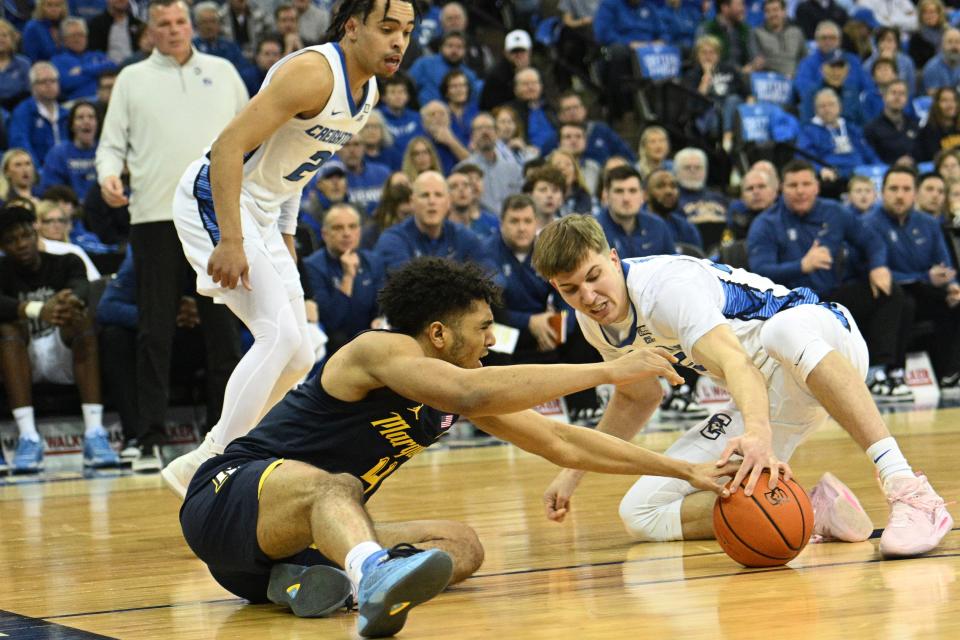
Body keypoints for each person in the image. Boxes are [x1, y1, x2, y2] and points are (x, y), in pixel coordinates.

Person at [178, 255, 737, 638]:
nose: (493, 340)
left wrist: (684, 471)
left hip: (267, 559)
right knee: (336, 485)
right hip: (228, 500)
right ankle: (367, 575)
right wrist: (609, 370)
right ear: (439, 334)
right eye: (484, 327)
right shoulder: (377, 351)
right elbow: (470, 391)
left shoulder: (454, 389)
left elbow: (562, 440)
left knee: (460, 546)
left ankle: (302, 582)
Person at [531, 213, 953, 558]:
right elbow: (636, 398)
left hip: (822, 341)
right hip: (768, 396)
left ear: (613, 255)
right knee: (641, 512)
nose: (588, 296)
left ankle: (909, 489)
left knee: (779, 333)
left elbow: (737, 363)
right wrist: (572, 474)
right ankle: (810, 508)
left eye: (594, 276)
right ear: (556, 287)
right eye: (571, 289)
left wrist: (757, 434)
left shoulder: (666, 289)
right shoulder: (593, 322)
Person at [161, 0, 419, 497]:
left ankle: (233, 454)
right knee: (275, 335)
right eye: (388, 29)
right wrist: (233, 239)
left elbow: (299, 166)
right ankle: (214, 461)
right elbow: (227, 148)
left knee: (301, 351)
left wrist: (283, 234)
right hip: (217, 197)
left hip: (263, 212)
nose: (398, 43)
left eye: (406, 32)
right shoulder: (313, 73)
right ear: (352, 27)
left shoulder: (366, 96)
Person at [96, 0, 247, 473]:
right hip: (154, 218)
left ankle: (226, 435)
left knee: (223, 331)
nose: (175, 29)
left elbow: (254, 135)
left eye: (181, 21)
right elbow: (110, 145)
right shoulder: (131, 79)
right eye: (164, 23)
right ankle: (148, 436)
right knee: (153, 330)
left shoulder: (224, 72)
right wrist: (107, 176)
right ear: (150, 31)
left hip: (215, 218)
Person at [748, 160, 913, 398]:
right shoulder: (765, 224)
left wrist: (878, 267)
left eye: (806, 183)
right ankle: (876, 373)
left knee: (894, 294)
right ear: (782, 189)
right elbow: (760, 271)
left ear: (817, 187)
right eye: (793, 185)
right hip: (791, 304)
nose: (800, 190)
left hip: (832, 296)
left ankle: (883, 372)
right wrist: (802, 265)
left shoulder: (833, 212)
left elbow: (872, 241)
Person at [0, 205, 119, 473]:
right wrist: (36, 309)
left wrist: (69, 301)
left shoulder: (67, 260)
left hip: (63, 353)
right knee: (7, 329)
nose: (21, 244)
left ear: (36, 232)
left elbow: (82, 288)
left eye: (25, 236)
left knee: (81, 318)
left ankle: (95, 434)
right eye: (11, 240)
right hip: (20, 358)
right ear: (3, 247)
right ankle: (28, 438)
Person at [864, 166, 960, 389]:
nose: (900, 195)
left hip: (924, 290)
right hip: (886, 293)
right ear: (882, 193)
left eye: (906, 189)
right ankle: (893, 373)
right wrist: (924, 276)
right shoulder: (869, 224)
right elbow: (877, 272)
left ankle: (951, 373)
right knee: (903, 302)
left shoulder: (928, 223)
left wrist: (952, 286)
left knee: (954, 302)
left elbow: (944, 264)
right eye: (894, 189)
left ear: (914, 194)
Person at [303, 203, 384, 357]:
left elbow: (381, 304)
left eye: (352, 226)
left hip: (369, 337)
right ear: (325, 234)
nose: (347, 233)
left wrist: (380, 319)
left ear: (359, 232)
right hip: (335, 345)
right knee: (337, 338)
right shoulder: (312, 267)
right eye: (338, 228)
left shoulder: (373, 261)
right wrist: (348, 277)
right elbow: (330, 321)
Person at [374, 170, 485, 272]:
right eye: (425, 195)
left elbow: (489, 276)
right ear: (412, 202)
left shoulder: (463, 236)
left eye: (438, 195)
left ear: (448, 202)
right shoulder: (393, 239)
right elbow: (406, 285)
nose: (432, 201)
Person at [9, 62, 69, 170]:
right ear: (32, 86)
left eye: (53, 81)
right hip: (39, 172)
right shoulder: (23, 112)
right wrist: (38, 171)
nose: (49, 85)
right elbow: (21, 146)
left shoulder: (66, 113)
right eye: (43, 82)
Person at [462, 112, 524, 214]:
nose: (485, 132)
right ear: (472, 136)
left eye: (489, 128)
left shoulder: (514, 169)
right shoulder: (463, 170)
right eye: (479, 128)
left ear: (497, 134)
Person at [39, 101, 99, 202]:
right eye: (80, 117)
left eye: (91, 117)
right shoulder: (58, 154)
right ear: (72, 125)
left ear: (97, 123)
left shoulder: (107, 151)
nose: (86, 121)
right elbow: (52, 192)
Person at [864, 80, 920, 166]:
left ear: (907, 99)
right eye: (893, 93)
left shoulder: (915, 125)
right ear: (884, 97)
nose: (897, 97)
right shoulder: (871, 128)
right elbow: (870, 159)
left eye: (902, 94)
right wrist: (894, 164)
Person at [749, 0, 806, 78]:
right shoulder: (756, 33)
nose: (772, 14)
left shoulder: (797, 32)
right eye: (768, 11)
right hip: (769, 80)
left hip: (795, 79)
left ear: (784, 12)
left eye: (775, 10)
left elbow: (805, 59)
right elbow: (757, 60)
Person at [727, 167, 778, 240]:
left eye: (761, 186)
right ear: (742, 197)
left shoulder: (786, 216)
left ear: (774, 192)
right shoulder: (738, 220)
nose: (756, 192)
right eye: (750, 188)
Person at [0, 19, 32, 111]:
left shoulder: (24, 64)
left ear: (12, 40)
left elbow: (28, 93)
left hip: (19, 110)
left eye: (5, 35)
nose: (1, 39)